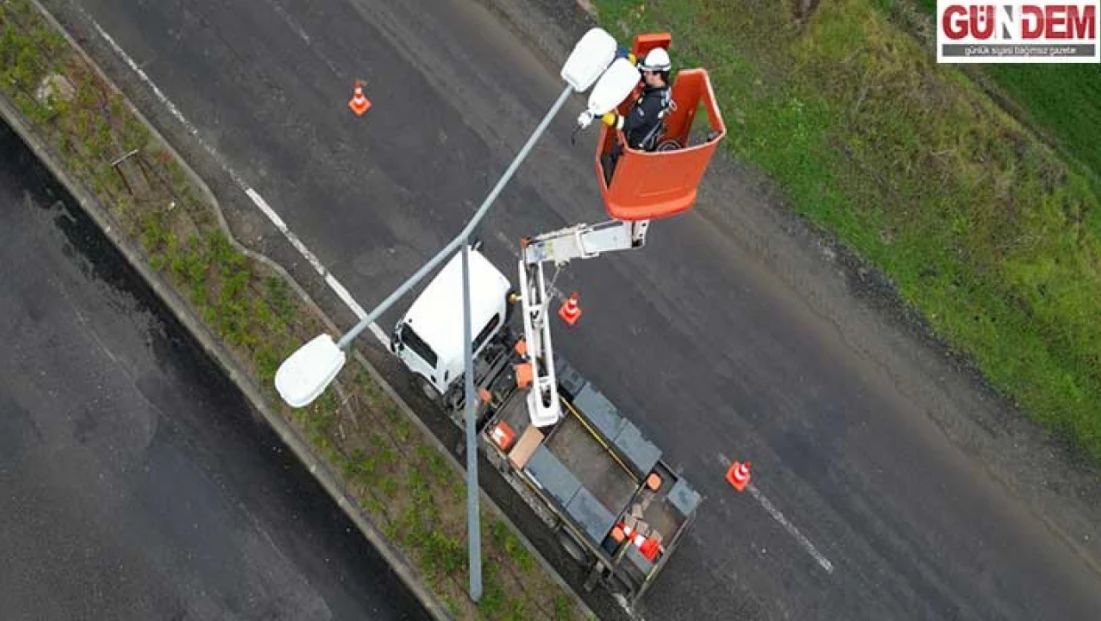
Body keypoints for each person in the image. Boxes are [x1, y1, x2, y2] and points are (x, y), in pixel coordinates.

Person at [600, 47, 674, 184]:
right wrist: (632, 59)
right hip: (646, 127)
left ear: (658, 74)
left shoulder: (653, 103)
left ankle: (615, 178)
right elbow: (643, 68)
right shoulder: (661, 85)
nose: (644, 74)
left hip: (637, 138)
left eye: (648, 72)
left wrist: (606, 116)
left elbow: (627, 124)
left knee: (619, 158)